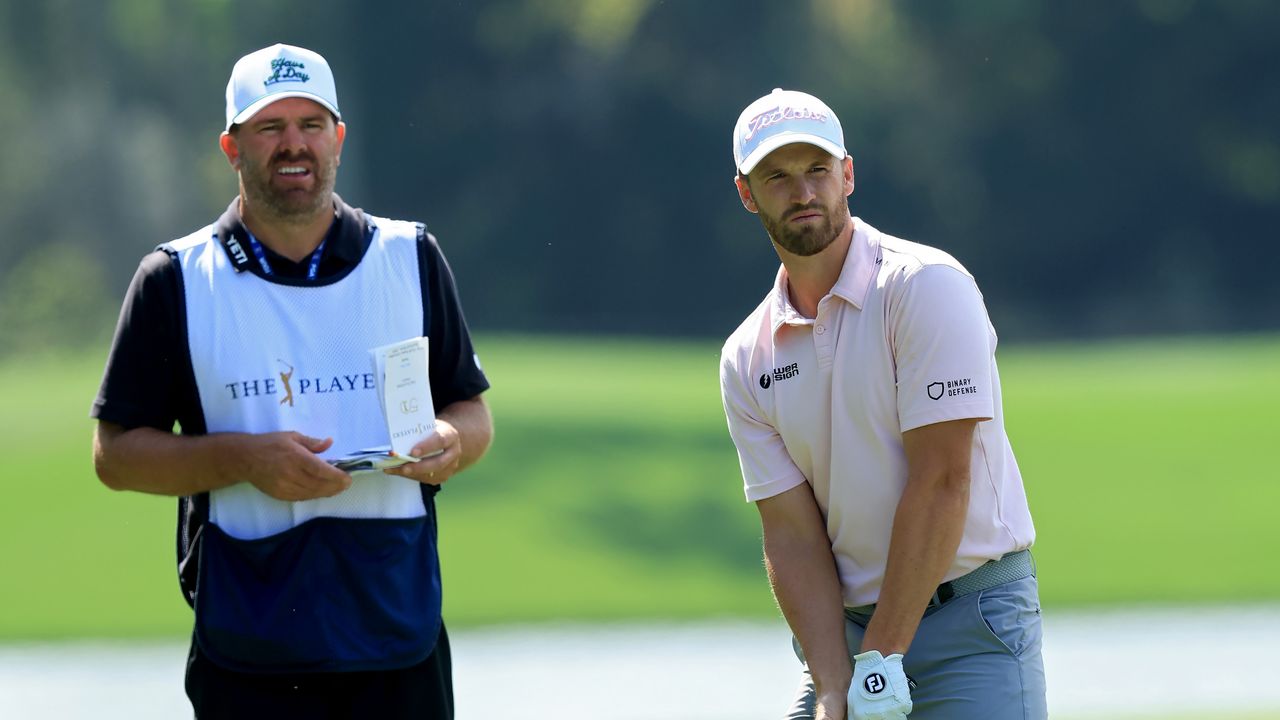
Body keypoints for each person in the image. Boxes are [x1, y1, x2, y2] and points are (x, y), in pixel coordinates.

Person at [91, 43, 492, 719]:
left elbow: (470, 411)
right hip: (249, 643)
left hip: (396, 634)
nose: (293, 145)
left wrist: (452, 440)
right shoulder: (174, 279)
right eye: (269, 128)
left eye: (310, 124)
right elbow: (116, 455)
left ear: (338, 138)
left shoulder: (411, 256)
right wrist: (245, 460)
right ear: (232, 147)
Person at [718, 88, 1046, 720]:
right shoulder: (745, 356)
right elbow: (789, 533)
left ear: (848, 174)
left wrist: (881, 660)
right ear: (747, 194)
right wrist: (835, 683)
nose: (804, 193)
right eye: (778, 177)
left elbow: (943, 480)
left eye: (817, 170)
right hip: (844, 638)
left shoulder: (925, 287)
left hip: (970, 626)